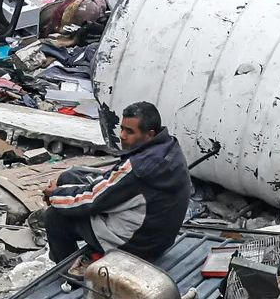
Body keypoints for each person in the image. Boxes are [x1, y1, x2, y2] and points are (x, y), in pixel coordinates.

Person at [41, 102, 189, 270]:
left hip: (138, 245)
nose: (122, 136)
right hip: (158, 235)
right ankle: (75, 252)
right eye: (122, 129)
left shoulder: (139, 168)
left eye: (130, 131)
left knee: (54, 217)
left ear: (149, 134)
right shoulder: (168, 146)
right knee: (71, 176)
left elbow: (92, 200)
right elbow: (113, 182)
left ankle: (69, 271)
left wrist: (55, 195)